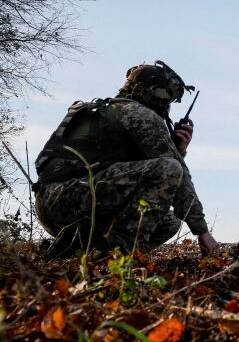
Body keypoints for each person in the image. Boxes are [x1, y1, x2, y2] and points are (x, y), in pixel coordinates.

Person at [33, 60, 219, 258]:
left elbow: (138, 177)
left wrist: (178, 150)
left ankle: (80, 253)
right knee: (170, 168)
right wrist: (202, 231)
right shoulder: (138, 113)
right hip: (72, 200)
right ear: (153, 93)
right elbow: (173, 174)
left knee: (169, 222)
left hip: (54, 204)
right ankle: (122, 256)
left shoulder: (105, 109)